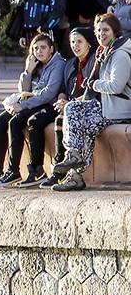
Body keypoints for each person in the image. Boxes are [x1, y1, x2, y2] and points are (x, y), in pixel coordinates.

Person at [0, 34, 69, 186]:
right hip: (31, 102)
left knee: (15, 122)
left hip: (45, 104)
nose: (39, 51)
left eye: (43, 48)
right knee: (0, 122)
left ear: (51, 49)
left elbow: (48, 94)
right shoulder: (37, 64)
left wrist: (22, 106)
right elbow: (24, 90)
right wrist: (28, 71)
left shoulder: (58, 64)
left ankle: (15, 171)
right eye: (36, 48)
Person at [52, 13, 131, 191]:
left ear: (115, 32)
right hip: (107, 107)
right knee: (72, 109)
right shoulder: (105, 52)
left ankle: (74, 172)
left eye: (106, 30)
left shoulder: (120, 55)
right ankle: (73, 161)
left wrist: (93, 83)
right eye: (98, 30)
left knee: (84, 125)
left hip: (120, 110)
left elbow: (116, 86)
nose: (101, 34)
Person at [38, 28, 97, 188]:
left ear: (88, 43)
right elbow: (63, 88)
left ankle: (62, 172)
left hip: (87, 106)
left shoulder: (94, 61)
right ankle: (58, 169)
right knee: (57, 119)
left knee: (64, 119)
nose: (75, 46)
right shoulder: (70, 63)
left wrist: (70, 103)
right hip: (69, 105)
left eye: (79, 42)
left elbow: (92, 92)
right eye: (72, 42)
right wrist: (62, 99)